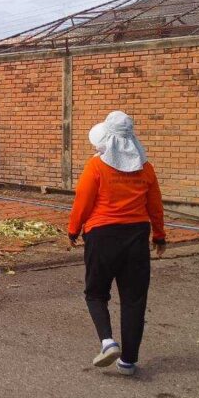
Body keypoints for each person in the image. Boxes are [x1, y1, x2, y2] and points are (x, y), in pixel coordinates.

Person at [68, 110, 166, 377]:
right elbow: (155, 205)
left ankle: (108, 342)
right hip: (136, 238)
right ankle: (128, 361)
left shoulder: (96, 166)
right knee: (134, 300)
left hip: (102, 236)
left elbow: (83, 201)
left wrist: (73, 230)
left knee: (96, 293)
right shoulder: (146, 168)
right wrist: (159, 236)